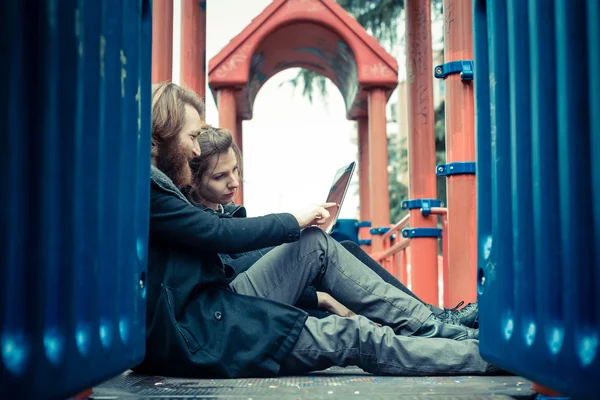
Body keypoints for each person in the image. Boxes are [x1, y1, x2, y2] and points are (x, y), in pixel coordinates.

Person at [136, 82, 497, 379]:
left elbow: (218, 247)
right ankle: (487, 354)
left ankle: (447, 331)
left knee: (318, 245)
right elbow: (218, 237)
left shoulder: (160, 188)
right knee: (356, 335)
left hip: (215, 315)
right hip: (207, 333)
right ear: (158, 139)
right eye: (191, 137)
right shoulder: (152, 190)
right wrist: (293, 220)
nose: (196, 149)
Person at [185, 124, 478, 327]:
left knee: (345, 247)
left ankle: (434, 317)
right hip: (234, 311)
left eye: (236, 170)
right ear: (194, 180)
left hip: (267, 295)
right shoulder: (199, 222)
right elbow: (236, 271)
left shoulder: (228, 212)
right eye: (220, 177)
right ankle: (432, 323)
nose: (234, 181)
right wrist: (319, 294)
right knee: (345, 315)